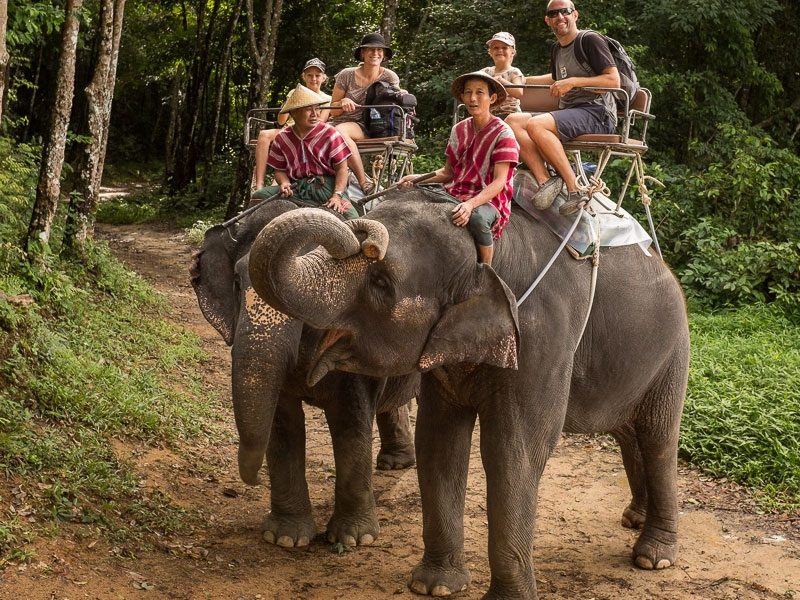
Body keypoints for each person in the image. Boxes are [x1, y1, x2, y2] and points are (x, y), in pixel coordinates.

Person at [506, 0, 620, 215]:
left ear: (575, 15)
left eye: (565, 12)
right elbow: (556, 78)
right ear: (547, 20)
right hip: (571, 111)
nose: (560, 17)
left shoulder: (590, 40)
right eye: (554, 13)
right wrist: (518, 80)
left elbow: (613, 81)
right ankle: (546, 182)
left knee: (536, 125)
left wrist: (573, 82)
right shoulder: (557, 48)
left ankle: (575, 189)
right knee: (513, 121)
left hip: (597, 112)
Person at [398, 71, 519, 266]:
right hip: (456, 191)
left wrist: (471, 205)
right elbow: (448, 173)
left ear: (492, 98)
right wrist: (417, 178)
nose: (473, 98)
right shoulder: (459, 130)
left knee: (479, 220)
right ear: (462, 97)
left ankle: (485, 270)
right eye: (468, 93)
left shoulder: (503, 133)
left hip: (489, 198)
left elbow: (499, 182)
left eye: (480, 92)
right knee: (414, 199)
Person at [251, 84, 357, 219]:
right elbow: (279, 170)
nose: (315, 114)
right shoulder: (282, 138)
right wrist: (283, 182)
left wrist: (337, 195)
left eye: (317, 108)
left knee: (352, 219)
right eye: (308, 109)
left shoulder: (331, 134)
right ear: (294, 113)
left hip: (327, 187)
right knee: (259, 197)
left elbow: (342, 169)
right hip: (297, 187)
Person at [329, 32, 401, 193]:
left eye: (379, 50)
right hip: (337, 122)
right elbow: (333, 111)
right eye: (370, 49)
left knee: (338, 132)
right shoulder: (346, 75)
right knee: (319, 132)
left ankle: (363, 182)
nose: (375, 53)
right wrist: (342, 102)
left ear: (383, 54)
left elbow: (395, 102)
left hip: (371, 124)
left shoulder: (390, 77)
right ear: (362, 52)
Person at [253, 58, 331, 190]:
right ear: (304, 77)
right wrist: (288, 105)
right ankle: (259, 184)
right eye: (310, 75)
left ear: (323, 78)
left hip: (307, 132)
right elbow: (281, 121)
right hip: (288, 131)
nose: (314, 79)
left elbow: (320, 122)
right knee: (264, 134)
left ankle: (279, 183)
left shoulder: (327, 99)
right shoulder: (294, 93)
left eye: (317, 75)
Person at [482, 32, 525, 119]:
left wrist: (500, 81)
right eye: (496, 48)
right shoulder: (486, 71)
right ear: (490, 52)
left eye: (504, 48)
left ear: (512, 52)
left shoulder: (514, 72)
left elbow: (519, 93)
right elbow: (474, 81)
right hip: (490, 114)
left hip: (510, 114)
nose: (500, 50)